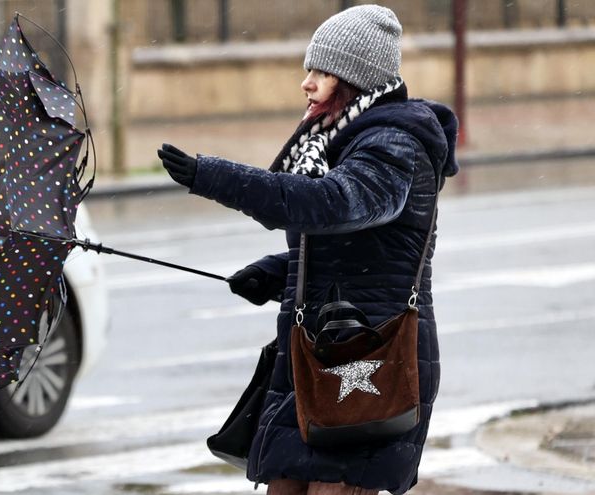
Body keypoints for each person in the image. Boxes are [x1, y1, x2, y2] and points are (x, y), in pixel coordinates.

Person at [157, 4, 459, 495]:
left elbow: (335, 205)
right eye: (309, 70)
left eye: (323, 72)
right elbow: (357, 247)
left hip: (371, 360)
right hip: (318, 359)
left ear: (354, 81)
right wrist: (276, 273)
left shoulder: (394, 144)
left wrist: (213, 177)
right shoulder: (335, 142)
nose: (308, 83)